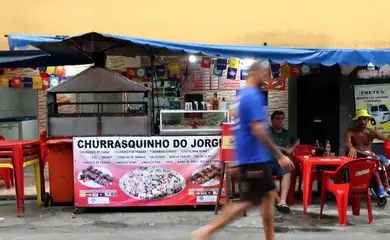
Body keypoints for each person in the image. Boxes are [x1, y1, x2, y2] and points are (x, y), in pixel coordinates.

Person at [191, 61, 294, 240]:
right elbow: (258, 129)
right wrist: (279, 156)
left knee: (268, 196)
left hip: (251, 157)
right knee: (247, 202)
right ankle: (206, 232)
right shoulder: (253, 96)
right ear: (256, 72)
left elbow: (239, 130)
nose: (268, 78)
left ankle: (270, 237)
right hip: (255, 159)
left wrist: (237, 158)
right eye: (266, 74)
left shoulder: (242, 97)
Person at [344, 109, 390, 197]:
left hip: (371, 160)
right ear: (356, 121)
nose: (363, 121)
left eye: (365, 119)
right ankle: (380, 188)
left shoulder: (371, 132)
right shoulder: (350, 132)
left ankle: (385, 187)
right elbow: (348, 143)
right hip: (357, 161)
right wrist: (351, 147)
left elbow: (386, 138)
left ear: (368, 120)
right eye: (360, 119)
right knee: (373, 162)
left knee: (379, 165)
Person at [269, 110, 300, 214]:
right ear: (272, 120)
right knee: (265, 173)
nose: (280, 120)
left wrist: (291, 149)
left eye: (282, 118)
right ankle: (275, 200)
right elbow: (270, 145)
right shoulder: (268, 132)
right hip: (268, 162)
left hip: (281, 163)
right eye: (277, 118)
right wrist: (285, 149)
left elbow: (297, 140)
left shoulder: (287, 133)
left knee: (287, 172)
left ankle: (282, 201)